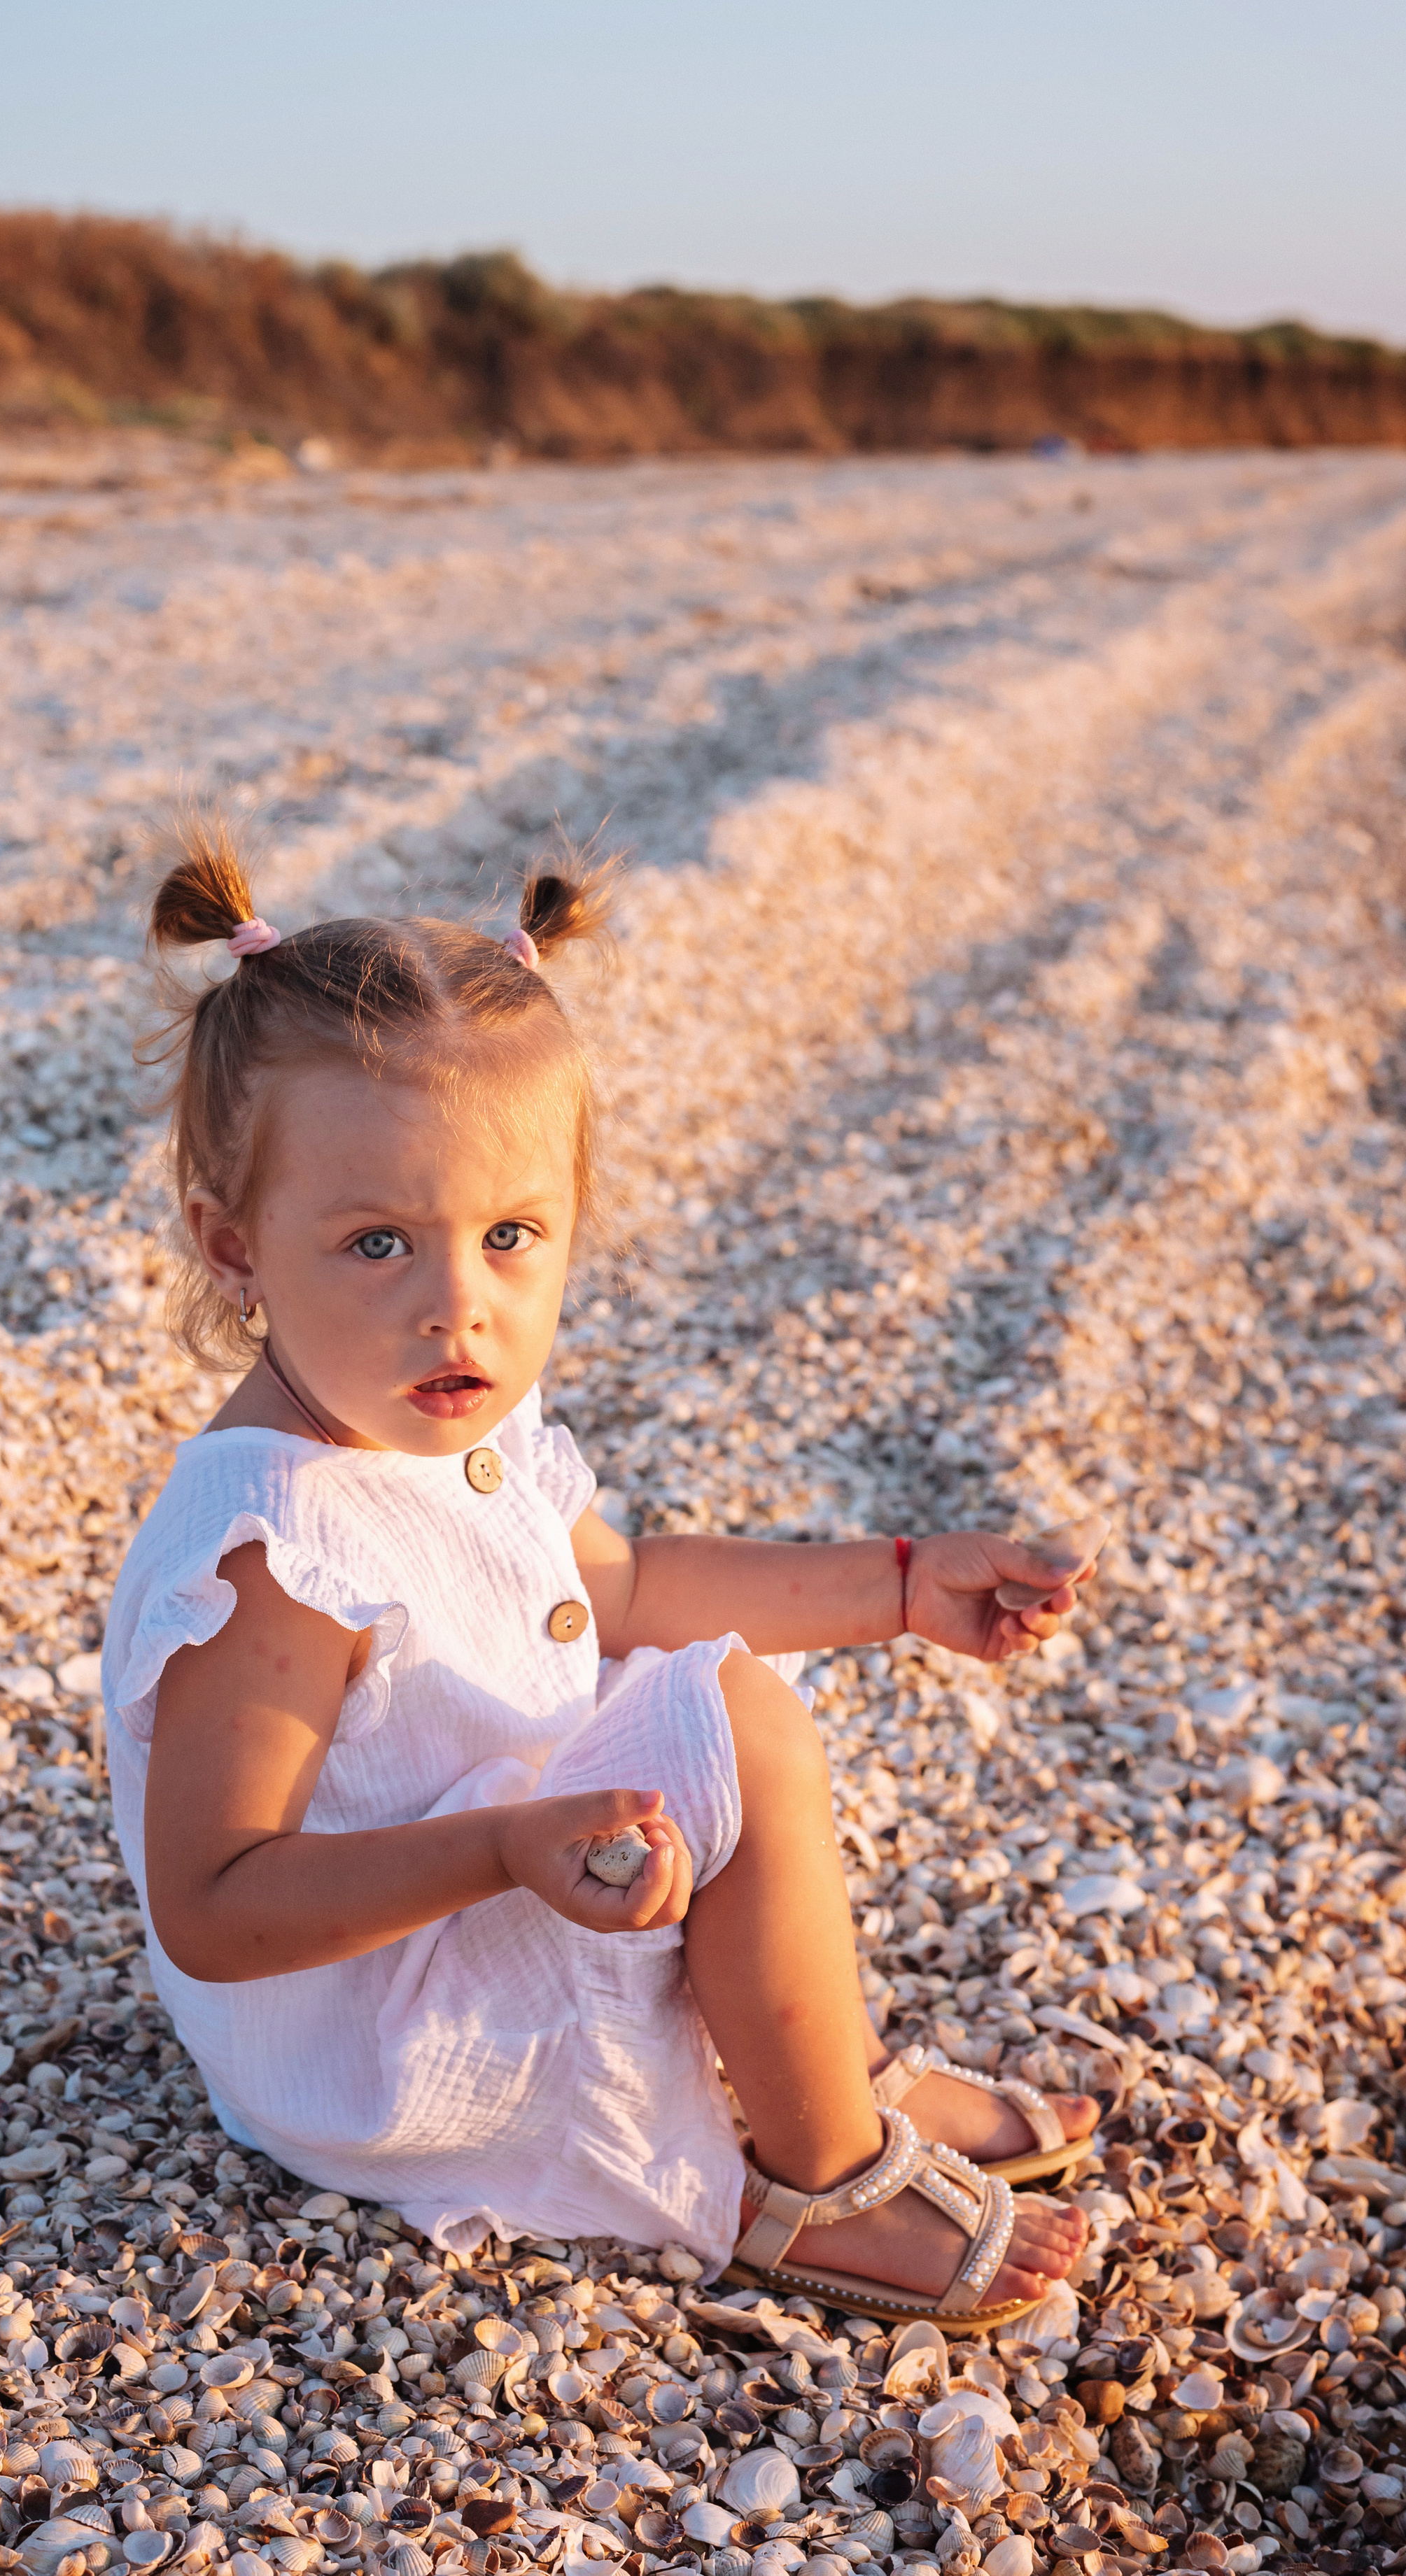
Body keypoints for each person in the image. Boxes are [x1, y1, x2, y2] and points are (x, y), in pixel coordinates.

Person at [101, 819, 1097, 2327]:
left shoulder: (441, 1425)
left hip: (496, 1877)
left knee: (675, 1680)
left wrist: (896, 1586)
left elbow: (622, 1594)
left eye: (509, 1237)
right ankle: (815, 2174)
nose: (458, 1310)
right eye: (377, 1245)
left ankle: (800, 2057)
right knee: (735, 1722)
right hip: (378, 2035)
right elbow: (218, 1907)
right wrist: (503, 1850)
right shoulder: (278, 1552)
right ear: (231, 1246)